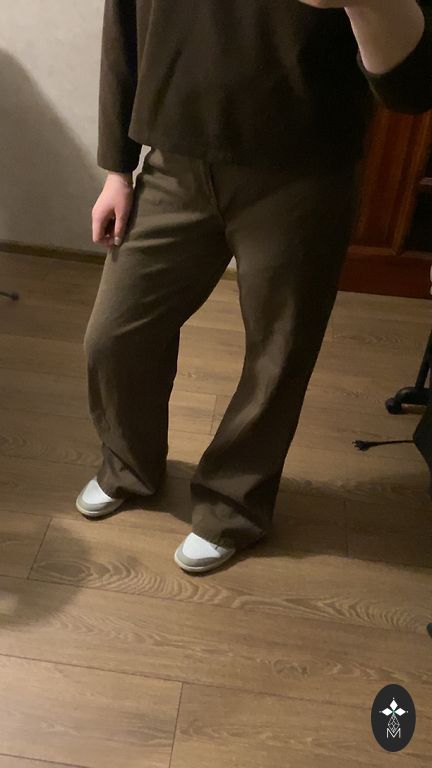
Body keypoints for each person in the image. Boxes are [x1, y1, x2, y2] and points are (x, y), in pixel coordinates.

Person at [76, 0, 432, 573]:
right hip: (173, 163)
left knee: (278, 352)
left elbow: (412, 88)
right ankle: (128, 465)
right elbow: (123, 27)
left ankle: (233, 506)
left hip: (305, 172)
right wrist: (118, 168)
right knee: (114, 336)